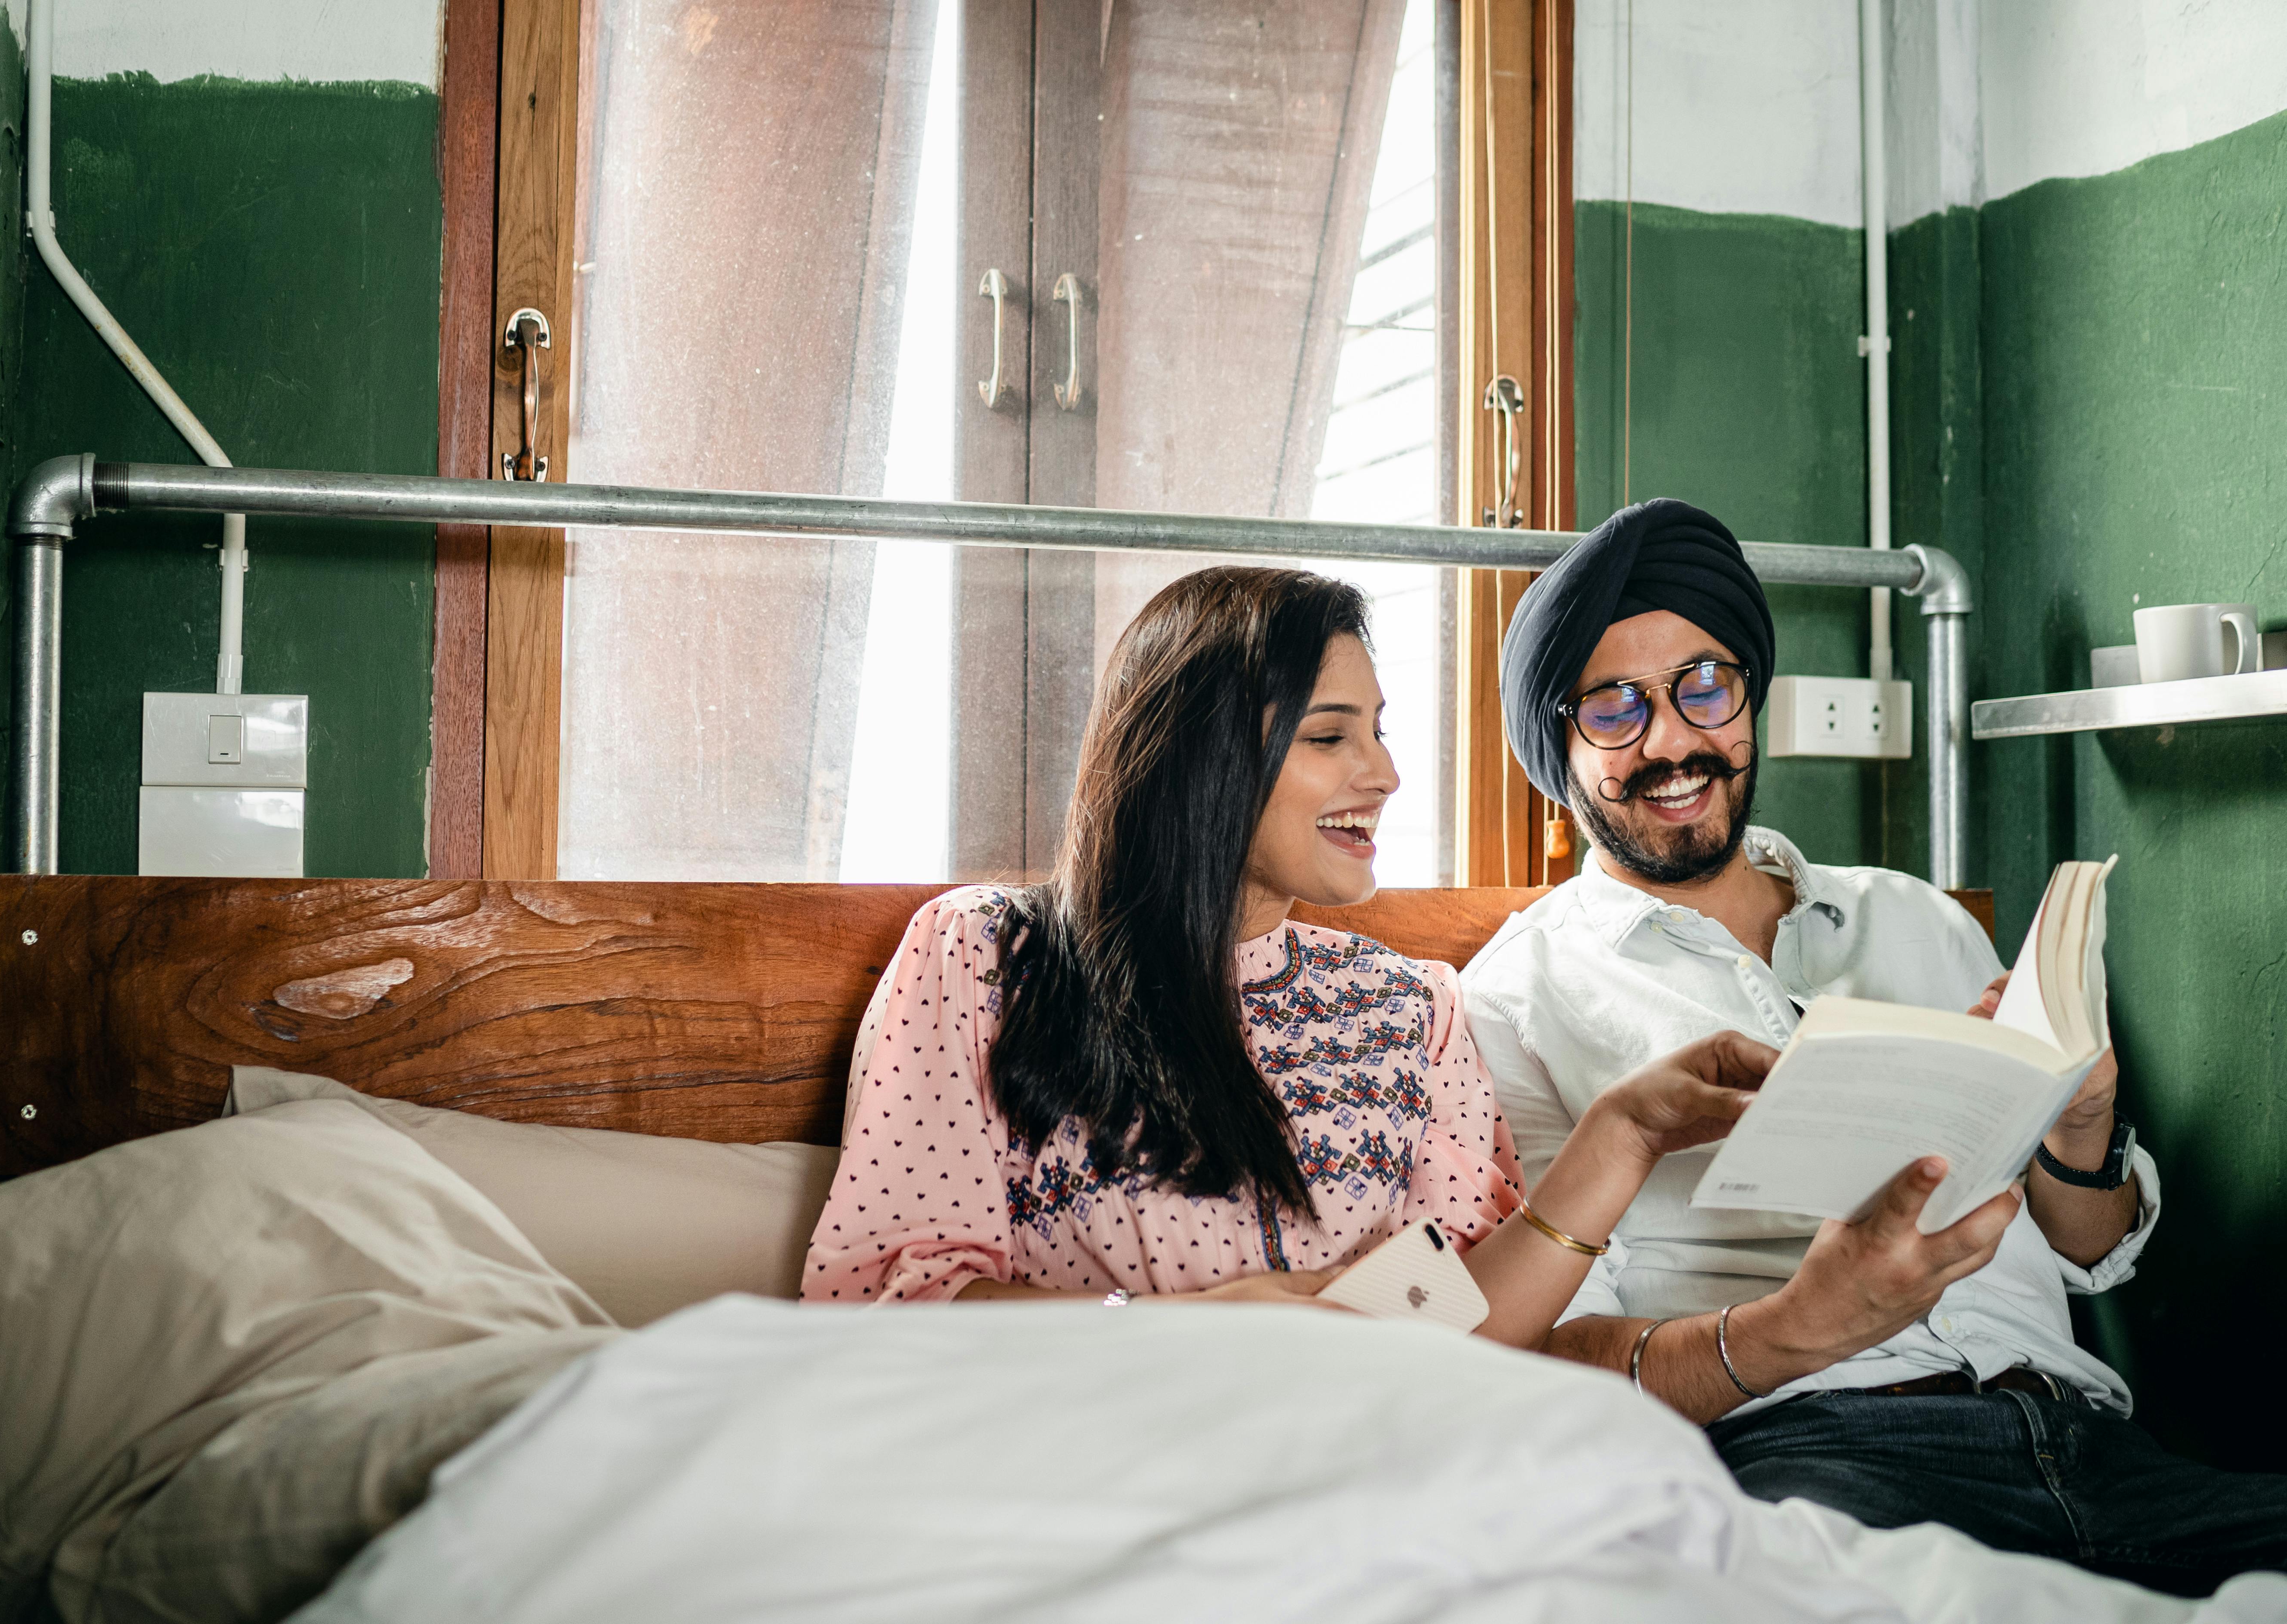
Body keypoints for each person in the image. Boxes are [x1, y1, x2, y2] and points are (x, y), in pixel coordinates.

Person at [1460, 497, 2287, 1596]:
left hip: (2085, 1436)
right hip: (1813, 1454)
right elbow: (1541, 1354)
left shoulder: (1919, 919)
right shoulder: (1512, 999)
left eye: (1704, 685)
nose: (1672, 740)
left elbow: (2087, 1251)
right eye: (1614, 709)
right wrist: (1790, 1328)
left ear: (1748, 693)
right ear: (1555, 748)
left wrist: (2079, 1134)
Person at [801, 565, 1770, 1351]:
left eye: (1378, 731)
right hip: (1093, 1482)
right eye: (1328, 735)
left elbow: (1467, 1315)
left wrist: (1625, 1134)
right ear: (1200, 751)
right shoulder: (984, 956)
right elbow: (886, 1302)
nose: (1383, 774)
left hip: (1367, 1475)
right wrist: (1182, 1331)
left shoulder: (1411, 1006)